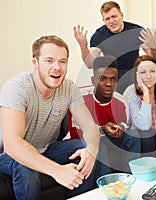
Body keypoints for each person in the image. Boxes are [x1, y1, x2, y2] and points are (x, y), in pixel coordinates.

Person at [0, 35, 100, 199]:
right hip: (7, 155)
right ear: (35, 63)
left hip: (45, 149)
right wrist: (57, 171)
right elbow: (12, 145)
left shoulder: (68, 87)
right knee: (25, 165)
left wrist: (91, 150)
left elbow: (89, 127)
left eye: (62, 61)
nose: (57, 67)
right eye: (49, 61)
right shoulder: (16, 88)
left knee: (86, 148)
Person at [68, 55, 141, 173]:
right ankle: (105, 184)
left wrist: (120, 128)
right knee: (100, 143)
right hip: (88, 141)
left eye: (113, 79)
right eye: (103, 79)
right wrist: (102, 130)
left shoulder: (121, 101)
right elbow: (76, 133)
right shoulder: (80, 99)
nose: (109, 84)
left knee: (134, 135)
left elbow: (126, 124)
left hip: (112, 140)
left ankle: (130, 177)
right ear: (93, 80)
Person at [73, 1, 156, 94]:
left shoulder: (136, 30)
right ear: (103, 20)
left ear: (121, 15)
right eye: (107, 19)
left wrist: (153, 47)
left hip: (134, 75)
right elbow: (90, 64)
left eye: (114, 16)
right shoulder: (99, 35)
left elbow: (153, 58)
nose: (111, 21)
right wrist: (83, 47)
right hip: (113, 78)